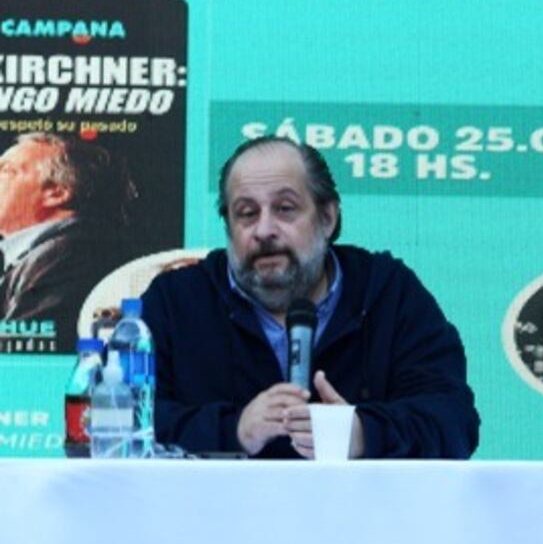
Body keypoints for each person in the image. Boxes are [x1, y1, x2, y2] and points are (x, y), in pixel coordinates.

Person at [141, 136, 479, 458]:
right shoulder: (175, 302)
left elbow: (454, 420)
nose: (264, 230)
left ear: (327, 218)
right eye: (246, 213)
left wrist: (364, 433)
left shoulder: (387, 293)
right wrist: (235, 431)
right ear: (228, 227)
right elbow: (124, 422)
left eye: (285, 209)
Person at [0, 132, 136, 352]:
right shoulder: (52, 254)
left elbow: (20, 355)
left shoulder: (74, 254)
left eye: (7, 171)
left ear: (56, 193)